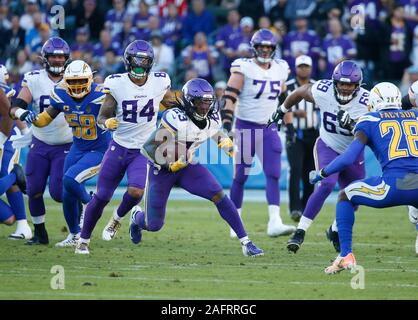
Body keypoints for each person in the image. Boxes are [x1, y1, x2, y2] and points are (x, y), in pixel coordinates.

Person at [128, 78, 264, 257]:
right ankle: (136, 218)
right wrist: (170, 165)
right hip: (161, 169)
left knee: (219, 195)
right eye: (200, 103)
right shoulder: (175, 118)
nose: (204, 107)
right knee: (154, 225)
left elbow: (216, 133)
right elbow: (148, 149)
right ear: (189, 101)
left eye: (207, 102)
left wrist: (231, 149)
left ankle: (246, 242)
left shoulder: (212, 117)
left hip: (187, 165)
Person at [75, 40, 174, 254]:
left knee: (137, 191)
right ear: (127, 62)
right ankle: (83, 239)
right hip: (119, 147)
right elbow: (103, 115)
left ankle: (117, 219)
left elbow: (169, 101)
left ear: (151, 63)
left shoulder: (160, 82)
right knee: (101, 196)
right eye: (136, 62)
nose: (139, 67)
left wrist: (189, 106)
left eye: (144, 62)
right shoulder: (117, 83)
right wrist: (106, 123)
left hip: (142, 150)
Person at [310, 82, 418, 272]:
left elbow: (348, 158)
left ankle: (345, 255)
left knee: (345, 195)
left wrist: (322, 173)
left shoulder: (369, 119)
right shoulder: (415, 116)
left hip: (394, 185)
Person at [268, 60, 370, 253]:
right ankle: (300, 232)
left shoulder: (368, 102)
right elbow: (299, 92)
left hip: (353, 151)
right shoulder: (323, 90)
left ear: (358, 86)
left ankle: (335, 229)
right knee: (327, 184)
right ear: (334, 82)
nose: (346, 88)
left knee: (355, 195)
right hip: (328, 145)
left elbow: (374, 131)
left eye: (350, 84)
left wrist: (353, 125)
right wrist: (281, 111)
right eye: (342, 83)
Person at [26, 60, 111, 247]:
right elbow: (45, 119)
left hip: (99, 149)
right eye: (72, 81)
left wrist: (111, 122)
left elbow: (117, 113)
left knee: (70, 180)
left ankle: (91, 203)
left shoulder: (101, 94)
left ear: (89, 79)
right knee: (67, 193)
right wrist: (33, 119)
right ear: (66, 80)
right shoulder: (61, 94)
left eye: (81, 80)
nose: (77, 85)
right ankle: (74, 234)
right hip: (77, 147)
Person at [221, 28, 295, 238]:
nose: (264, 50)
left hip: (269, 127)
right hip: (246, 127)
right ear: (254, 48)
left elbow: (284, 100)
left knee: (274, 174)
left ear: (273, 49)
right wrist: (227, 122)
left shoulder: (280, 68)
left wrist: (289, 126)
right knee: (241, 176)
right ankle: (235, 222)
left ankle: (275, 221)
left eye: (268, 47)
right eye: (261, 47)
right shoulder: (243, 67)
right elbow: (229, 95)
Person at [9, 37, 73, 245]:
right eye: (53, 56)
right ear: (45, 58)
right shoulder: (34, 78)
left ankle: (78, 224)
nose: (57, 60)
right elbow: (15, 105)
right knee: (34, 188)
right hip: (40, 141)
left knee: (58, 192)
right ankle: (40, 233)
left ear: (67, 59)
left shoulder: (75, 77)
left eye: (60, 57)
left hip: (66, 142)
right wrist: (21, 113)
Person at [282, 55, 318, 222]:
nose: (303, 69)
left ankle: (305, 208)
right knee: (295, 169)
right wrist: (295, 113)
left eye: (306, 66)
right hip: (294, 133)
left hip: (313, 133)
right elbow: (279, 108)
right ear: (296, 68)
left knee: (310, 172)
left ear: (310, 68)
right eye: (301, 66)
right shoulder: (287, 86)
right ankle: (295, 208)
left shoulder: (317, 86)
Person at [0, 69, 28, 236]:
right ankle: (14, 177)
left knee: (5, 172)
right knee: (9, 218)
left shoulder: (4, 94)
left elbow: (10, 113)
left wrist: (2, 138)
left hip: (6, 137)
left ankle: (14, 176)